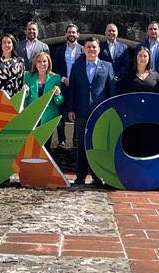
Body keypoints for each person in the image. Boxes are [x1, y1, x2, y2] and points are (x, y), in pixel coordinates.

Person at [67, 37, 116, 186]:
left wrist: (111, 110)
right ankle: (80, 176)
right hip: (81, 111)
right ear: (84, 49)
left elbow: (111, 90)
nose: (91, 50)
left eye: (94, 47)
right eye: (88, 47)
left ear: (99, 49)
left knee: (97, 145)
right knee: (81, 144)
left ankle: (97, 176)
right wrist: (70, 109)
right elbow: (72, 90)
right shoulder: (76, 66)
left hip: (100, 112)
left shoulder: (107, 66)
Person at [118, 45, 159, 158]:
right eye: (140, 55)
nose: (142, 58)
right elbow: (122, 96)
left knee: (150, 147)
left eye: (145, 56)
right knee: (132, 146)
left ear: (149, 58)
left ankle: (149, 174)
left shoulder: (156, 76)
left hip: (151, 119)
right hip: (132, 119)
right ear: (136, 58)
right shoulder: (128, 76)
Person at [21, 51, 63, 149]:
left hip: (47, 118)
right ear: (35, 64)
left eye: (44, 61)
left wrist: (58, 94)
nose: (42, 64)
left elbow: (59, 101)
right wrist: (25, 91)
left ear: (49, 63)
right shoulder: (28, 76)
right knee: (30, 147)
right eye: (39, 61)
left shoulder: (55, 78)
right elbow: (25, 98)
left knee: (45, 148)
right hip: (31, 117)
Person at [51, 24, 82, 147]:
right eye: (69, 32)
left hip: (77, 87)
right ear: (65, 34)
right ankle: (61, 140)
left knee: (77, 113)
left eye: (74, 32)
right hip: (63, 85)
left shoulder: (83, 49)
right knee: (61, 113)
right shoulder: (59, 50)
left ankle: (75, 139)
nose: (71, 34)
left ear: (78, 34)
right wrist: (63, 79)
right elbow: (55, 67)